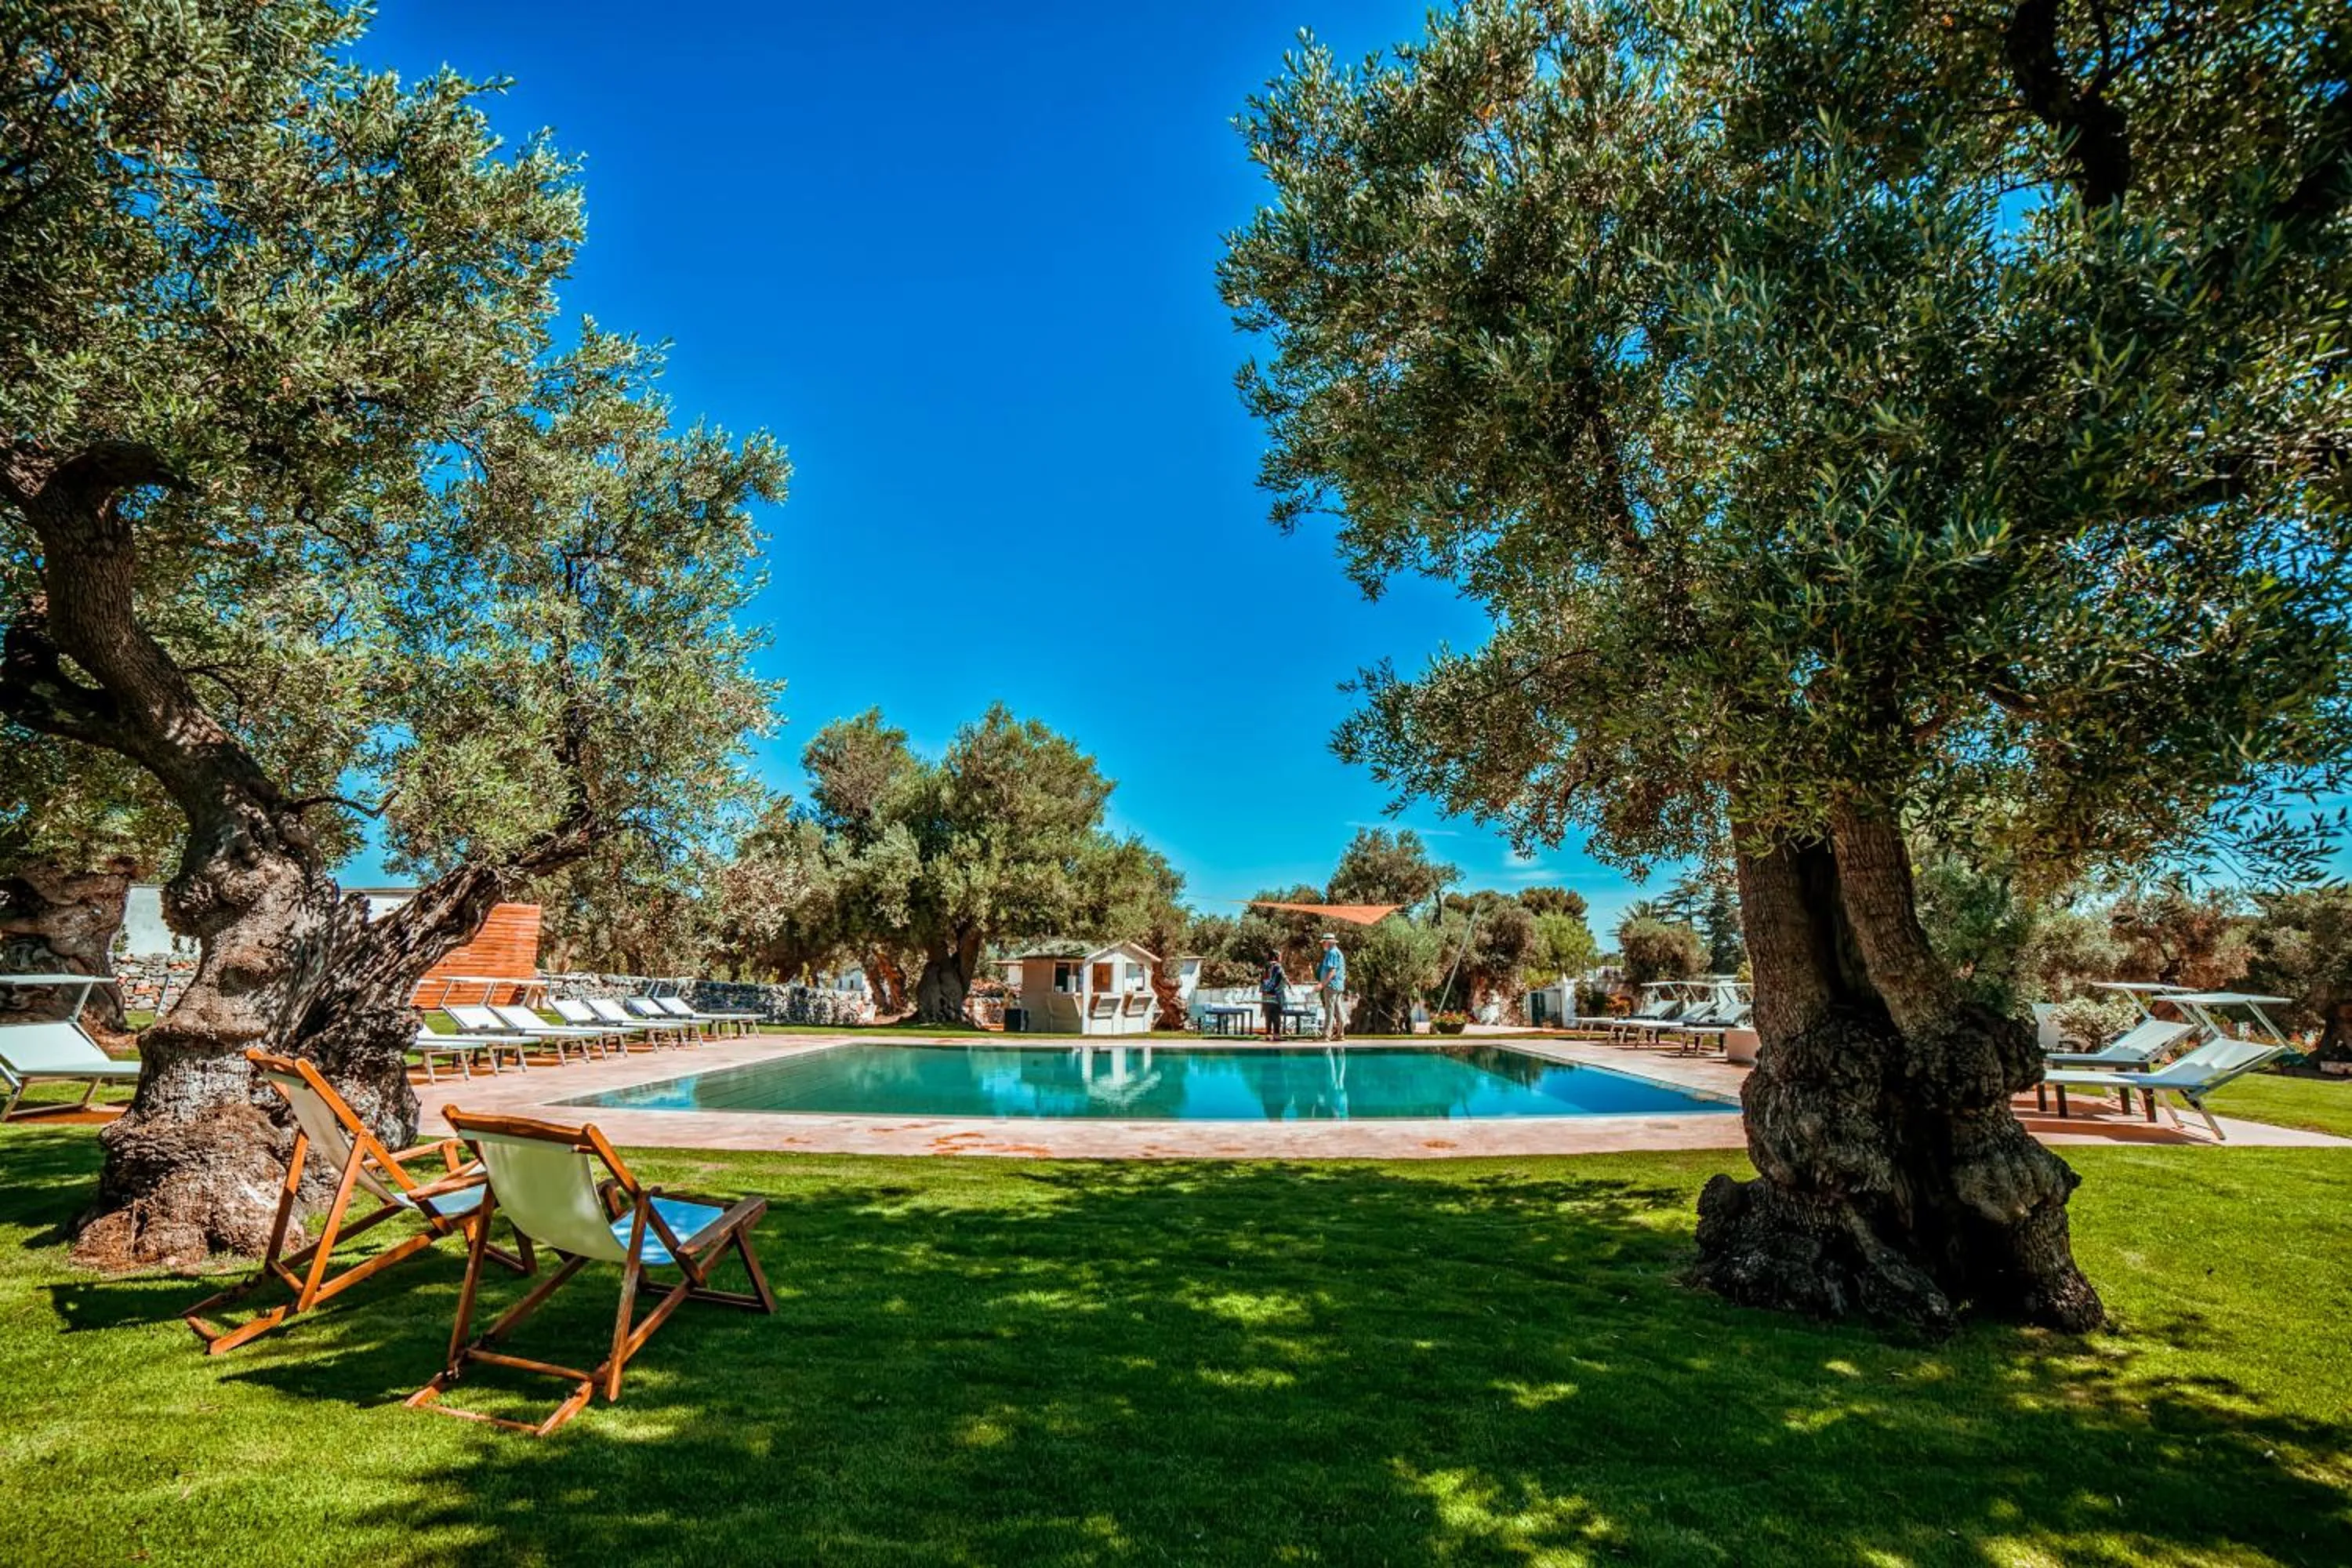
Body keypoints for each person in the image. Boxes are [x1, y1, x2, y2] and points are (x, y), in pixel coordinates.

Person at [1316, 933, 1348, 1041]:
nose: (1323, 945)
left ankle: (1326, 1035)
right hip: (1338, 985)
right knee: (1338, 1009)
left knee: (1329, 1010)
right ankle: (1340, 1033)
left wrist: (1322, 984)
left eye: (1324, 943)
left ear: (1329, 943)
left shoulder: (1332, 953)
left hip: (1331, 985)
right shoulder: (1338, 953)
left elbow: (1332, 970)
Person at [1259, 955, 1288, 1040]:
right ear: (1276, 957)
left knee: (1268, 1018)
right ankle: (1276, 1036)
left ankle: (1268, 1035)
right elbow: (1283, 979)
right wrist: (1288, 984)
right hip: (1275, 997)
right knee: (1276, 1018)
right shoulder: (1278, 967)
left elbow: (1262, 982)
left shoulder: (1265, 968)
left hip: (1265, 998)